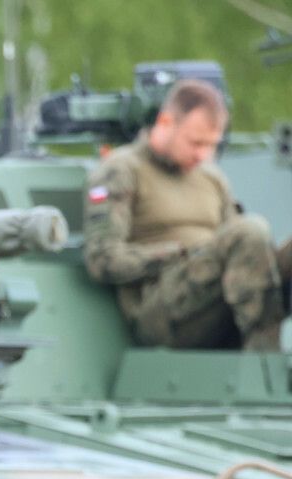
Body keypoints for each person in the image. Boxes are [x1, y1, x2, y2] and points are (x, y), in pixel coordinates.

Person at [85, 77, 292, 352]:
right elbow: (102, 259)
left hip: (216, 299)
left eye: (211, 145)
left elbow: (244, 252)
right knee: (250, 230)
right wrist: (179, 254)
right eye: (195, 143)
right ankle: (265, 359)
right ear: (167, 123)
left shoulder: (211, 178)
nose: (203, 154)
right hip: (161, 310)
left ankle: (262, 347)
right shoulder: (122, 171)